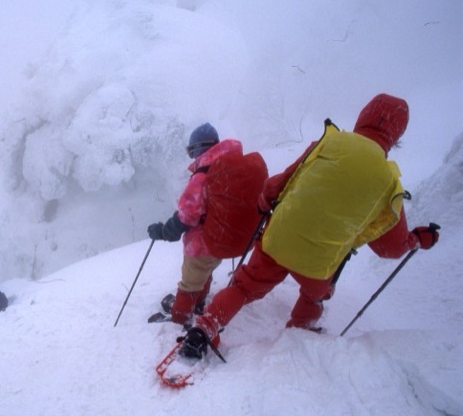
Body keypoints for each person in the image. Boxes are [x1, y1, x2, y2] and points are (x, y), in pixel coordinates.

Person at [179, 93, 440, 359]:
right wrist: (419, 239)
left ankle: (205, 327)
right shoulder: (390, 183)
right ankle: (299, 333)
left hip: (278, 236)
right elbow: (389, 248)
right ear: (397, 136)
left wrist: (263, 202)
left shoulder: (329, 142)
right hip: (319, 261)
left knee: (243, 287)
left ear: (363, 116)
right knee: (315, 295)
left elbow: (278, 184)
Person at [147, 123, 223, 324]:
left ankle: (180, 317)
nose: (192, 157)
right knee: (205, 272)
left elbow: (187, 215)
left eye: (192, 151)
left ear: (198, 148)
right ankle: (198, 304)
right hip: (224, 238)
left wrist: (163, 231)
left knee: (190, 282)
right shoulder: (227, 167)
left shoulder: (202, 175)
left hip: (202, 243)